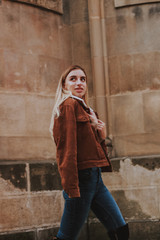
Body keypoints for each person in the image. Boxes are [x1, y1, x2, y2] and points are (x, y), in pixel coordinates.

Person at [49, 65, 129, 240]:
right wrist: (71, 186)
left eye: (83, 79)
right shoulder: (68, 105)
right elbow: (67, 150)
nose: (79, 83)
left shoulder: (85, 108)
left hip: (96, 179)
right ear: (64, 85)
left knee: (120, 229)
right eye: (73, 79)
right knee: (66, 237)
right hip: (82, 180)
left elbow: (88, 147)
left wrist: (100, 134)